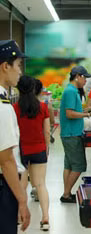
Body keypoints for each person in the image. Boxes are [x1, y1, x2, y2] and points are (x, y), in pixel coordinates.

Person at [0, 40, 30, 233]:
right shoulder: (2, 107)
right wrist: (22, 199)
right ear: (5, 66)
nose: (20, 71)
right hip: (4, 188)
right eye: (18, 65)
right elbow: (6, 160)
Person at [14, 75, 50, 231]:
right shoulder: (42, 107)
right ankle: (45, 218)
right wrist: (46, 149)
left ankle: (18, 216)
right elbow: (47, 131)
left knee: (21, 184)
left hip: (21, 150)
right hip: (39, 148)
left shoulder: (14, 108)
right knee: (40, 184)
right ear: (34, 88)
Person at [60, 65, 91, 203]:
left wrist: (90, 108)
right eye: (84, 78)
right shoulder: (71, 91)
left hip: (69, 133)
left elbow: (74, 110)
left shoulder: (72, 90)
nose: (85, 81)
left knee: (69, 165)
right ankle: (66, 194)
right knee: (79, 165)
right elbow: (70, 114)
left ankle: (67, 193)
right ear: (77, 76)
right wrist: (88, 114)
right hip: (72, 133)